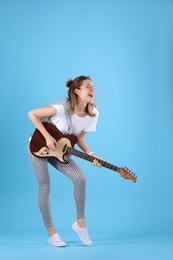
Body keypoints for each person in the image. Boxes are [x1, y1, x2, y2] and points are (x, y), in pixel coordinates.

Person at [28, 75, 102, 247]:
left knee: (80, 178)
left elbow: (79, 138)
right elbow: (32, 114)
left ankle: (80, 224)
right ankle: (51, 232)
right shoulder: (61, 108)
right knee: (45, 187)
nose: (92, 90)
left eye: (93, 87)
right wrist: (47, 137)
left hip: (61, 151)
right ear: (77, 91)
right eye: (88, 87)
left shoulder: (93, 113)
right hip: (39, 147)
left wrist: (92, 154)